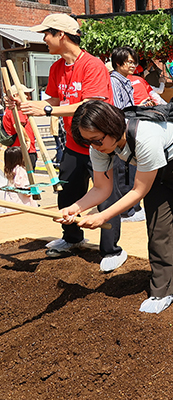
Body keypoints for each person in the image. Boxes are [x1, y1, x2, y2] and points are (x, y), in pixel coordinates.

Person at [61, 100, 173, 314]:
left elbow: (138, 191)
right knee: (159, 229)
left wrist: (102, 217)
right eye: (88, 141)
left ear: (111, 127)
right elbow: (101, 188)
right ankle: (164, 290)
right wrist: (74, 208)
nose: (94, 146)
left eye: (96, 140)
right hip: (155, 172)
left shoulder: (145, 136)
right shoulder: (100, 146)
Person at [13, 14, 117, 270]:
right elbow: (54, 102)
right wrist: (27, 105)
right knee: (67, 191)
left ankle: (111, 249)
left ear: (61, 34)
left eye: (46, 34)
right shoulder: (56, 67)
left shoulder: (93, 65)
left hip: (99, 144)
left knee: (105, 197)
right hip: (72, 142)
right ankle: (71, 238)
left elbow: (90, 104)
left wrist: (46, 112)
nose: (44, 40)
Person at [110, 46, 146, 225]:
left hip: (129, 128)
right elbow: (118, 109)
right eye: (129, 62)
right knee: (124, 170)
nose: (133, 65)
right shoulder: (114, 81)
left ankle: (132, 207)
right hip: (121, 131)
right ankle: (127, 210)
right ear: (118, 63)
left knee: (131, 168)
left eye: (134, 62)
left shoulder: (126, 81)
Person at [0, 146, 38, 211]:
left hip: (12, 197)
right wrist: (29, 192)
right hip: (21, 200)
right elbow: (23, 186)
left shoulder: (9, 170)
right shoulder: (20, 170)